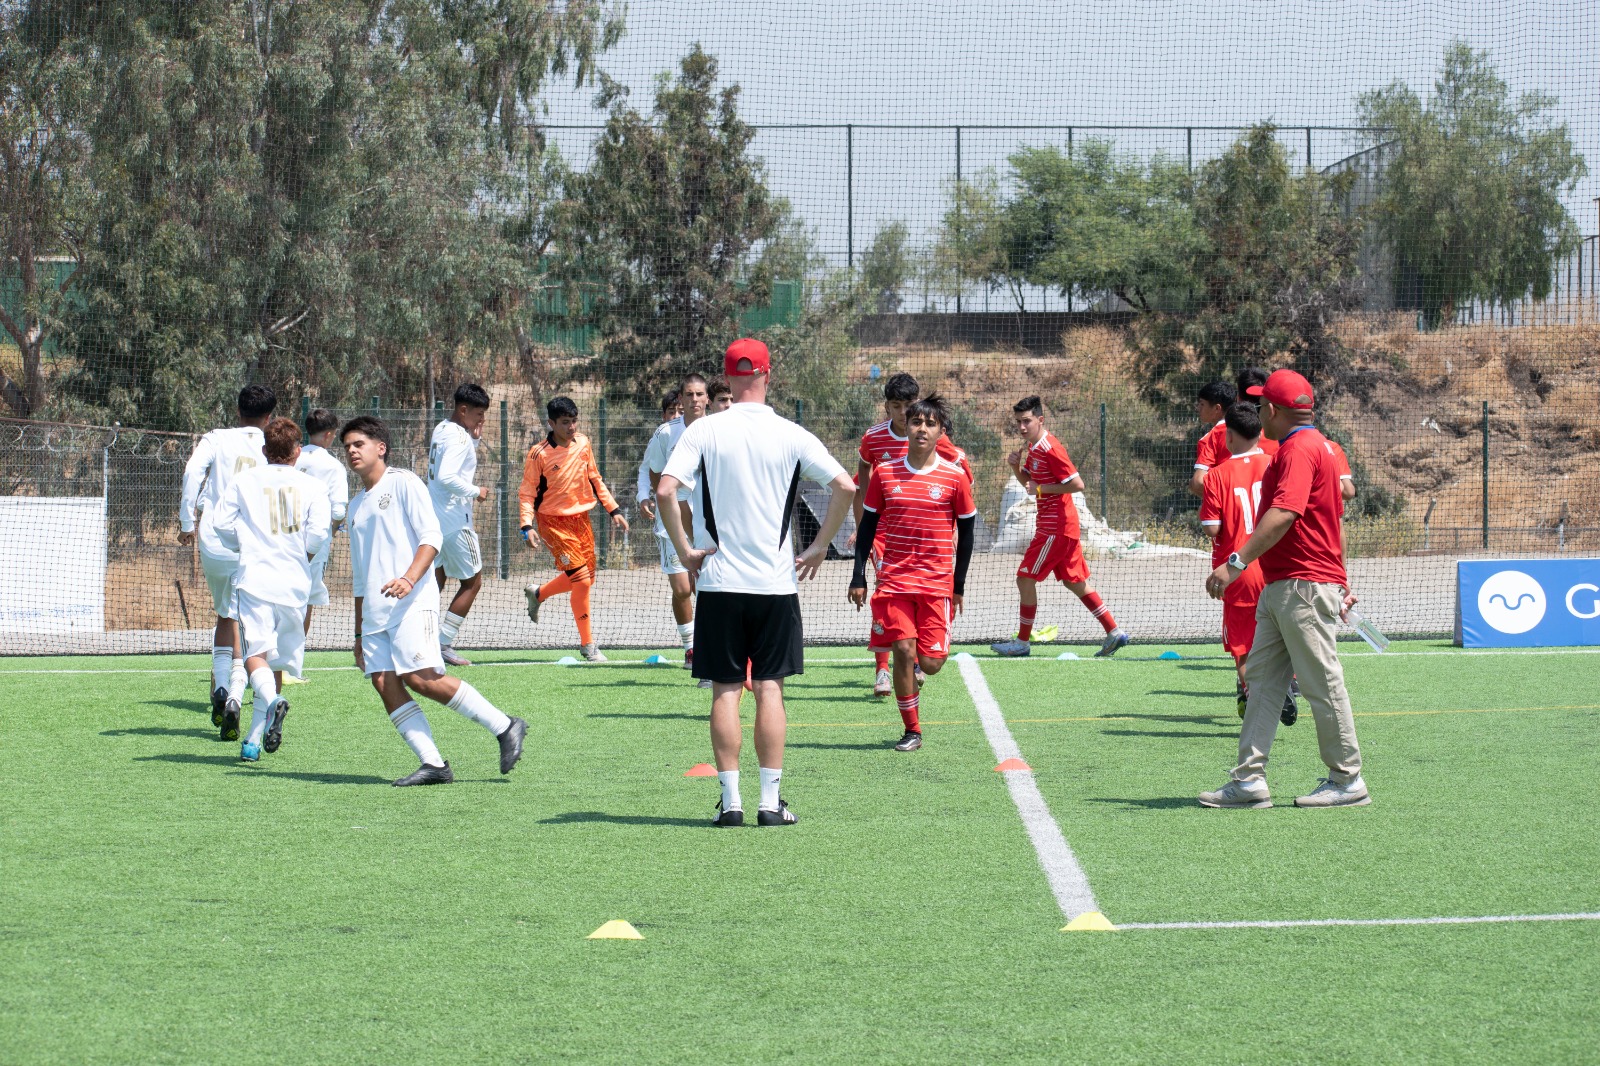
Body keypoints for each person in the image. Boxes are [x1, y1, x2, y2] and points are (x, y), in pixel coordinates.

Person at [657, 338, 853, 827]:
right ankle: (770, 803)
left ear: (727, 379)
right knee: (770, 688)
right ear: (768, 377)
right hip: (775, 585)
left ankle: (731, 802)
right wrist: (821, 544)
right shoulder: (791, 433)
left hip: (719, 584)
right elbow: (846, 486)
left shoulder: (703, 432)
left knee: (725, 690)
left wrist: (685, 551)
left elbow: (665, 489)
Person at [1200, 369, 1369, 809]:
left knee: (1321, 683)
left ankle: (1347, 779)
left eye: (1261, 406)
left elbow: (1284, 514)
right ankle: (1249, 780)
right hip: (1289, 585)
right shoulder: (1321, 447)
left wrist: (1234, 563)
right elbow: (1334, 521)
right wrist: (1340, 577)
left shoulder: (1298, 450)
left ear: (1273, 410)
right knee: (1262, 682)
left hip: (1301, 587)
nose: (1258, 414)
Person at [342, 416, 527, 786]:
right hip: (376, 614)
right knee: (383, 681)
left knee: (420, 678)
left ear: (381, 447)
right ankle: (434, 765)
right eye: (346, 446)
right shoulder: (354, 508)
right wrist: (359, 634)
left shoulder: (405, 483)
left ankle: (505, 726)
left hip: (412, 601)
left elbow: (431, 538)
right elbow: (361, 579)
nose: (351, 451)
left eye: (358, 444)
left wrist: (410, 579)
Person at [849, 395, 977, 751]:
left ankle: (915, 675)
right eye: (916, 422)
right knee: (903, 649)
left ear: (941, 431)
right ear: (906, 426)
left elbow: (967, 533)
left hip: (937, 582)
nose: (922, 428)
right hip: (895, 580)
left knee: (931, 663)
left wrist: (959, 585)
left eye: (930, 423)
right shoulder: (886, 473)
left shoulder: (954, 477)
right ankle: (912, 731)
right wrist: (858, 575)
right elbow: (868, 527)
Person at [212, 417, 331, 761]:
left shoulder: (245, 480)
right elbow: (320, 534)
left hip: (256, 580)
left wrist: (244, 544)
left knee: (254, 657)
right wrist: (301, 555)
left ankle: (276, 703)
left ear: (265, 451)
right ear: (297, 451)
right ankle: (253, 736)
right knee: (273, 663)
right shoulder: (313, 485)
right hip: (295, 584)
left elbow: (220, 523)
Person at [990, 396, 1129, 658]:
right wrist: (1015, 468)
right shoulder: (1033, 447)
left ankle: (1021, 643)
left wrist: (1042, 488)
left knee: (1024, 578)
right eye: (1018, 422)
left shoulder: (1050, 447)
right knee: (1074, 583)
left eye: (1027, 421)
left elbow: (1077, 484)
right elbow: (1031, 488)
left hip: (1055, 528)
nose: (1021, 427)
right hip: (1060, 527)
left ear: (1040, 420)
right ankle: (1114, 632)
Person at [179, 384, 277, 739]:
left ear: (238, 412)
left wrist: (187, 523)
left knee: (225, 614)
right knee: (248, 623)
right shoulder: (272, 446)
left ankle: (221, 688)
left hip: (215, 541)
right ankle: (236, 695)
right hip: (254, 544)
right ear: (269, 417)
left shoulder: (216, 438)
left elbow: (192, 473)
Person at [1199, 402, 1294, 724]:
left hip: (1238, 571)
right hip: (1277, 565)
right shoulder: (1275, 463)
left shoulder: (1217, 476)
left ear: (1228, 437)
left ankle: (1254, 693)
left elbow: (1212, 527)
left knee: (1242, 646)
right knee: (1283, 634)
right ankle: (1288, 682)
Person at [518, 397, 629, 662]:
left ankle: (539, 593)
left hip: (582, 520)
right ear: (551, 423)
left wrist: (613, 509)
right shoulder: (539, 453)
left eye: (574, 421)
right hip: (553, 523)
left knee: (586, 579)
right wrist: (526, 525)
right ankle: (588, 645)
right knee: (580, 579)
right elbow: (526, 493)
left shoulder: (583, 443)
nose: (571, 427)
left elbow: (595, 478)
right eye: (565, 422)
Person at [643, 374, 711, 670]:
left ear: (706, 399)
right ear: (681, 400)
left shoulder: (719, 430)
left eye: (700, 394)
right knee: (683, 589)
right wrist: (659, 502)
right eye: (689, 394)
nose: (695, 400)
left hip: (709, 523)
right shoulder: (666, 433)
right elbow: (653, 470)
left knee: (707, 587)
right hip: (673, 525)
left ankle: (714, 643)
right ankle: (691, 647)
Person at [428, 384, 492, 666]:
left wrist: (474, 439)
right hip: (455, 520)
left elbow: (453, 463)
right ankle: (442, 644)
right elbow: (446, 476)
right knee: (473, 581)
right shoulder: (459, 438)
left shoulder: (442, 428)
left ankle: (415, 636)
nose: (482, 420)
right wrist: (476, 491)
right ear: (462, 410)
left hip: (433, 518)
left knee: (435, 581)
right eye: (478, 414)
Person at [296, 408, 350, 638]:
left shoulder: (292, 456)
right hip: (316, 539)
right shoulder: (333, 465)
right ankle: (292, 662)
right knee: (306, 598)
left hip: (284, 534)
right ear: (329, 434)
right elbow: (338, 509)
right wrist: (333, 531)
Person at [635, 389, 682, 521]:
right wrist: (643, 497)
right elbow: (645, 470)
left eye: (681, 412)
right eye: (672, 412)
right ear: (664, 416)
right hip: (667, 512)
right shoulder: (659, 438)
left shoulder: (697, 435)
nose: (676, 416)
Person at [1187, 380, 1237, 498]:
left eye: (1202, 404)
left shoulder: (1209, 439)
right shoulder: (1253, 430)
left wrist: (1192, 484)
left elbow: (1200, 482)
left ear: (1217, 408)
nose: (1198, 408)